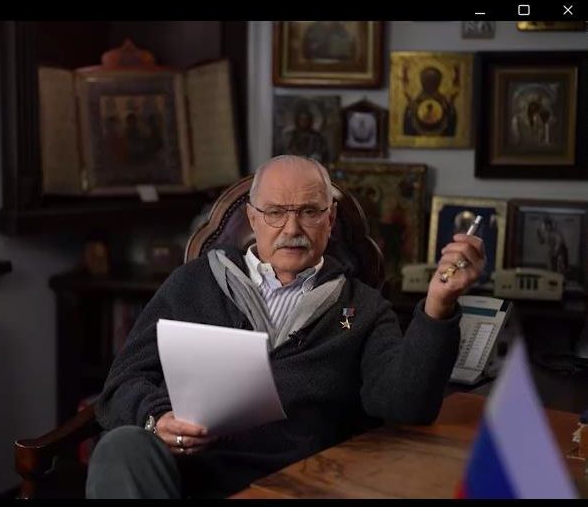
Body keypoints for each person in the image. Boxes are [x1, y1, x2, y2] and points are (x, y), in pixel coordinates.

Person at [86, 155, 485, 499]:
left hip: (298, 483)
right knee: (122, 446)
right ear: (252, 218)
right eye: (275, 212)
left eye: (309, 212)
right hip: (184, 476)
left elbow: (407, 405)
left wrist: (438, 304)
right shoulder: (193, 284)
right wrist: (158, 420)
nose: (292, 229)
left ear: (329, 220)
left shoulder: (361, 308)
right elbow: (122, 384)